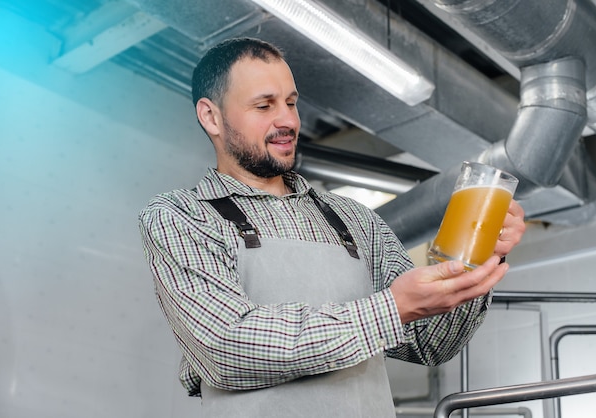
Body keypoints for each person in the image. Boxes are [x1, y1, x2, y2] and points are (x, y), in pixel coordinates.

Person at [138, 37, 526, 418]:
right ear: (211, 117)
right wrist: (391, 309)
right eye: (264, 105)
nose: (288, 120)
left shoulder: (355, 220)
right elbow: (227, 348)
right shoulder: (181, 216)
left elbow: (429, 343)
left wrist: (476, 261)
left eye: (291, 102)